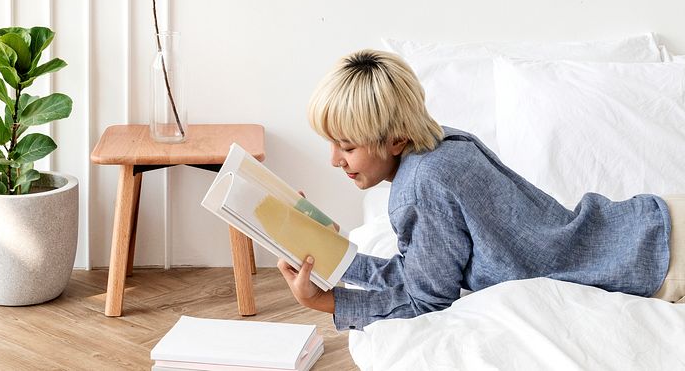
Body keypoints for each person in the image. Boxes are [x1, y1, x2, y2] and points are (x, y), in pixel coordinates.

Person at [277, 49, 682, 331]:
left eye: (347, 147)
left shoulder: (421, 187)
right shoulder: (444, 143)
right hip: (651, 222)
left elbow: (425, 302)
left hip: (662, 259)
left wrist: (322, 302)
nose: (334, 160)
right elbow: (427, 272)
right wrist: (337, 259)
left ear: (396, 139)